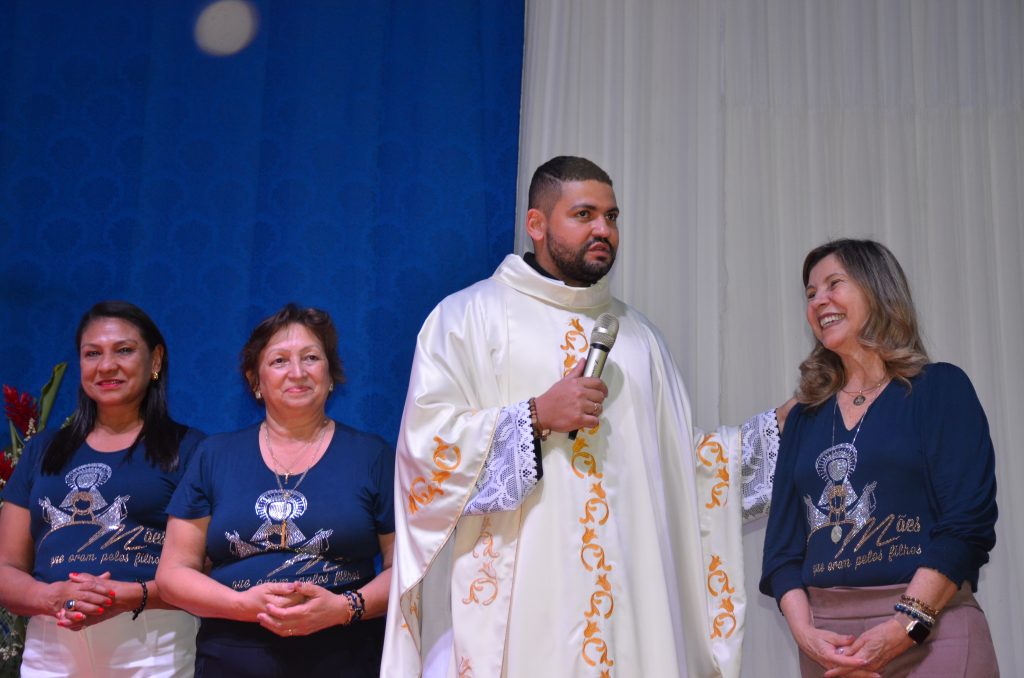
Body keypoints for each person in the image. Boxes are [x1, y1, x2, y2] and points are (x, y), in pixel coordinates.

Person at [382, 156, 780, 677]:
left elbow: (686, 466)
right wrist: (534, 416)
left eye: (612, 217)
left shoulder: (641, 339)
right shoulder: (465, 320)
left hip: (627, 603)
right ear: (537, 224)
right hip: (524, 605)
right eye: (585, 214)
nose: (604, 230)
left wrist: (781, 430)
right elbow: (426, 454)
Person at [760, 239, 999, 677]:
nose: (819, 301)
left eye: (834, 284)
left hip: (932, 632)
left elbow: (968, 523)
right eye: (810, 293)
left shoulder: (939, 389)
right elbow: (781, 552)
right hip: (831, 649)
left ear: (877, 290)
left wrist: (906, 624)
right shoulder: (804, 418)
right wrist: (807, 634)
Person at [157, 303, 394, 677]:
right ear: (255, 381)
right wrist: (242, 605)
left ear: (330, 374)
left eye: (311, 358)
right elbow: (172, 575)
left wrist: (344, 607)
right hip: (232, 656)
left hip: (347, 655)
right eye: (279, 361)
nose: (297, 373)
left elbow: (406, 569)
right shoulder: (214, 455)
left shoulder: (372, 455)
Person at [0, 300, 205, 676]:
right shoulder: (42, 450)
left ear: (155, 359)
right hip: (52, 646)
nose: (107, 365)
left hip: (152, 645)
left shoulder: (192, 451)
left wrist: (127, 596)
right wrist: (50, 597)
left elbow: (205, 567)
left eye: (124, 350)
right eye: (92, 353)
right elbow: (6, 566)